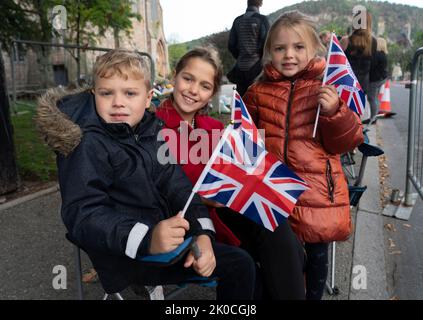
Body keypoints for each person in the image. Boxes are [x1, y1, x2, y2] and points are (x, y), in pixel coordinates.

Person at [36, 49, 256, 300]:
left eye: (130, 93)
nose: (118, 102)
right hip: (125, 253)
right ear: (94, 93)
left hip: (165, 237)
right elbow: (82, 214)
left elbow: (179, 186)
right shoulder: (84, 143)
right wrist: (148, 238)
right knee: (240, 266)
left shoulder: (151, 130)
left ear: (148, 97)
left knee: (242, 262)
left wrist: (203, 234)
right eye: (107, 93)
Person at [156, 47, 307, 300]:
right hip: (185, 221)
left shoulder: (214, 127)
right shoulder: (154, 126)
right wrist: (203, 198)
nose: (193, 90)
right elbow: (155, 188)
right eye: (188, 78)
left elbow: (235, 177)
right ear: (175, 76)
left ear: (212, 93)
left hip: (222, 213)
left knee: (277, 230)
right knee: (260, 261)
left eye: (204, 86)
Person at [242, 11, 364, 300]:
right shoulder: (258, 91)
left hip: (317, 195)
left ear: (313, 50)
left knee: (317, 261)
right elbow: (246, 138)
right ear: (269, 52)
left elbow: (346, 141)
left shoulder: (326, 89)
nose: (289, 55)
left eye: (298, 47)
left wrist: (335, 112)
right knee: (282, 262)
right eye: (280, 48)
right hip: (274, 194)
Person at [227, 0, 270, 97]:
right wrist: (260, 58)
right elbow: (267, 44)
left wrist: (240, 56)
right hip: (257, 68)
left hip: (240, 68)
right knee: (256, 100)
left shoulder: (237, 20)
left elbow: (231, 45)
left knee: (241, 102)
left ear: (247, 2)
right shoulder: (262, 20)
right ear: (260, 3)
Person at [341, 11, 377, 96]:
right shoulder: (374, 42)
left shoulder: (345, 40)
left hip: (346, 84)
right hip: (363, 86)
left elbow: (336, 62)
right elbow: (373, 66)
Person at [365, 37, 389, 125]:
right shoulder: (383, 54)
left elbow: (371, 66)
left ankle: (373, 118)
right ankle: (374, 117)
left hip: (375, 79)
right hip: (381, 78)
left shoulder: (377, 54)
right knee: (375, 98)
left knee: (371, 98)